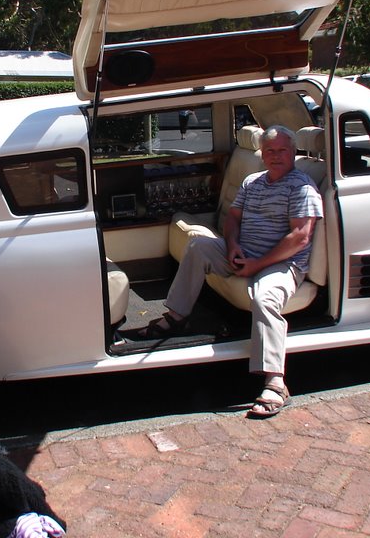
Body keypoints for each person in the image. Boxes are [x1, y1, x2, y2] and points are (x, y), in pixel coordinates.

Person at [137, 125, 323, 419]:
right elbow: (233, 219)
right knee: (199, 246)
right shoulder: (253, 182)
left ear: (294, 152)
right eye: (270, 151)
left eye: (283, 151)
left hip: (281, 264)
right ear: (262, 155)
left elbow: (300, 236)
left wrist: (257, 265)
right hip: (244, 253)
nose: (276, 157)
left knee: (265, 299)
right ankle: (177, 317)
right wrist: (233, 246)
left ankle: (276, 383)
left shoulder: (302, 188)